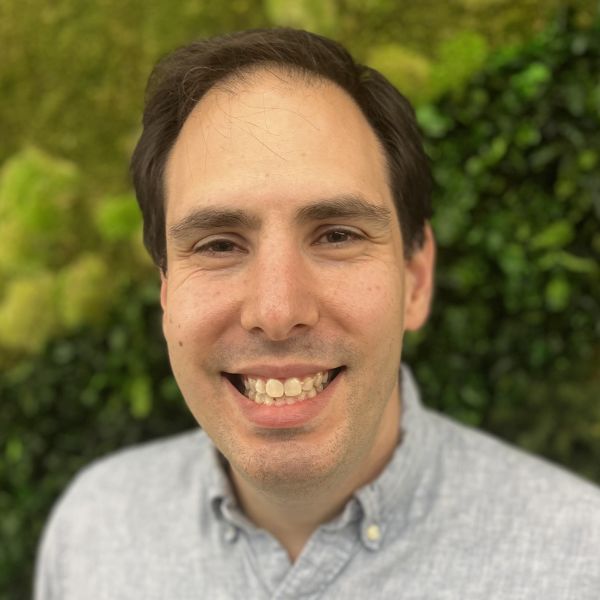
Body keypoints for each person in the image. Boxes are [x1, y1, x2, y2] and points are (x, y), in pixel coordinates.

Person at [35, 28, 600, 599]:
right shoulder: (91, 531)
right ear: (166, 293)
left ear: (416, 279)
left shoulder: (578, 562)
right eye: (218, 245)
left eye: (336, 235)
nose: (278, 312)